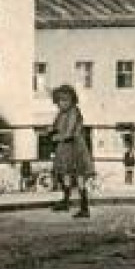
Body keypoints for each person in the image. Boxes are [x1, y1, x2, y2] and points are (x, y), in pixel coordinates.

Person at [47, 85, 95, 218]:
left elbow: (70, 132)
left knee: (79, 177)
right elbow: (55, 126)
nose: (62, 103)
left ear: (72, 100)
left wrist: (57, 136)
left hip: (76, 147)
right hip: (65, 148)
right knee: (65, 174)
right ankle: (66, 201)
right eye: (60, 100)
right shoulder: (61, 114)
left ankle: (84, 208)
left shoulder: (74, 112)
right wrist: (51, 130)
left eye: (65, 100)